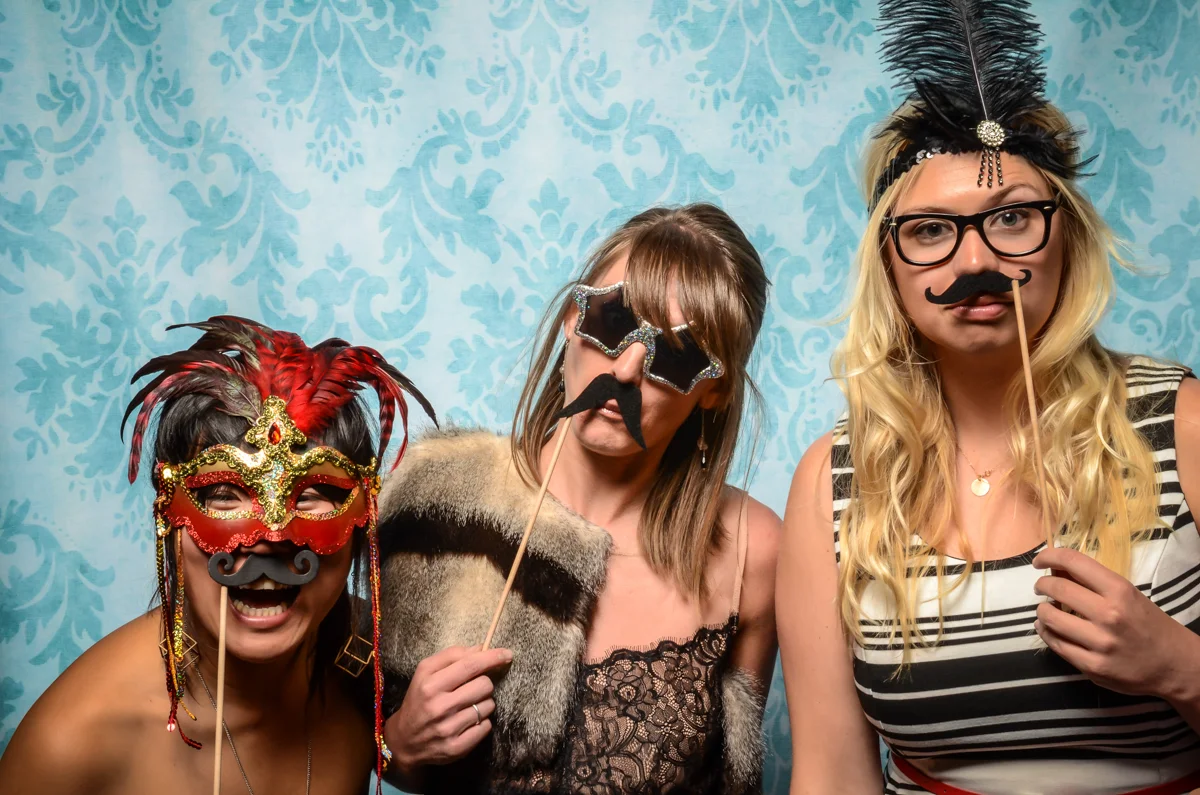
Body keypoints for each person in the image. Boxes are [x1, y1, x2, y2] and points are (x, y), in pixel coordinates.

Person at [777, 2, 1200, 794]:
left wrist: (1179, 666)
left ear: (1066, 235)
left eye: (1011, 218)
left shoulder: (1180, 422)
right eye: (930, 230)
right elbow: (832, 774)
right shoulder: (833, 483)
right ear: (890, 265)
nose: (976, 260)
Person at [375, 203, 781, 794]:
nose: (626, 370)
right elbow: (354, 745)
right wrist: (400, 744)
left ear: (713, 391)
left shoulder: (750, 547)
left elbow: (736, 783)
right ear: (573, 318)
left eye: (675, 354)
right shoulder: (436, 494)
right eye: (614, 323)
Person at [0, 317, 434, 795]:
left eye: (311, 495)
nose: (271, 536)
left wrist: (398, 752)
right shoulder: (74, 741)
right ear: (169, 516)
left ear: (363, 517)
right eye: (224, 495)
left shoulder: (372, 661)